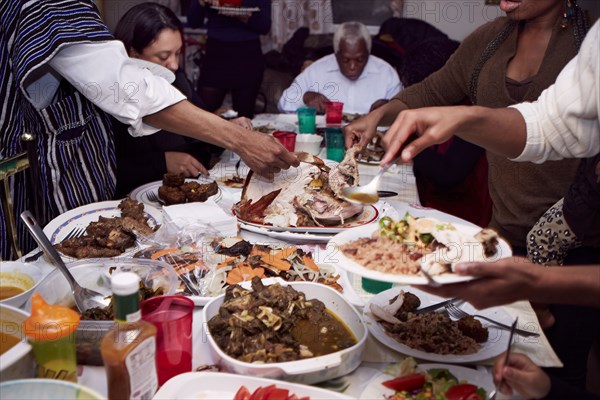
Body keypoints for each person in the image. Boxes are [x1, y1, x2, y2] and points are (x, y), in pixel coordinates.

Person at [0, 0, 298, 261]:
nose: (173, 64)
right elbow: (123, 87)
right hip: (27, 200)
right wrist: (241, 140)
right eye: (163, 55)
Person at [345, 0, 590, 253]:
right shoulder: (489, 39)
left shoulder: (589, 44)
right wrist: (379, 116)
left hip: (573, 244)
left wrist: (464, 118)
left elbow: (547, 129)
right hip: (501, 234)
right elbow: (432, 90)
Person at [112, 3, 253, 197]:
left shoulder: (177, 78)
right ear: (132, 52)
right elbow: (103, 170)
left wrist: (226, 127)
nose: (174, 64)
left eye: (177, 53)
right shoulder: (111, 95)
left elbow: (200, 135)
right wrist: (163, 162)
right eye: (163, 56)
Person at [277, 21, 402, 115]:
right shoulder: (317, 69)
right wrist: (304, 98)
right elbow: (283, 104)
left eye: (360, 60)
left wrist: (390, 107)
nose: (352, 67)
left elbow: (404, 111)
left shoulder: (387, 73)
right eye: (345, 60)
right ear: (336, 54)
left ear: (368, 53)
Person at [187, 0, 270, 118]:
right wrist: (200, 2)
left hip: (247, 56)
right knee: (203, 114)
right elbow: (193, 22)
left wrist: (243, 17)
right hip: (216, 54)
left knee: (244, 117)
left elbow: (265, 26)